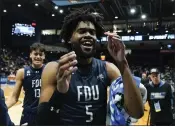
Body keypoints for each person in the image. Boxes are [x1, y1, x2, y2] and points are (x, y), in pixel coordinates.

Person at [37, 8, 144, 125]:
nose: (88, 35)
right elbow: (42, 121)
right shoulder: (54, 68)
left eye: (92, 33)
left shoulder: (109, 69)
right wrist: (60, 92)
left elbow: (136, 113)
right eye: (82, 31)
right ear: (69, 38)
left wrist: (122, 62)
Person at [5, 43, 45, 125]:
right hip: (28, 113)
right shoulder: (22, 72)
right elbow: (13, 98)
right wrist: (2, 109)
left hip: (45, 113)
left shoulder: (49, 71)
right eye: (35, 54)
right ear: (30, 55)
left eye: (40, 54)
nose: (38, 56)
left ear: (44, 56)